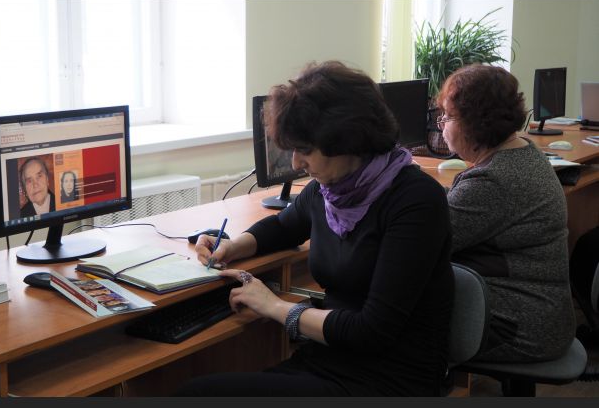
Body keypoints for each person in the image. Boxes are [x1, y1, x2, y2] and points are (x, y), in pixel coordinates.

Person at [176, 60, 454, 396]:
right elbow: (283, 227)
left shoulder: (415, 201)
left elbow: (372, 331)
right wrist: (232, 246)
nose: (296, 163)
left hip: (391, 377)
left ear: (348, 140)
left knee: (195, 394)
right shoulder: (328, 191)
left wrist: (274, 306)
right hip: (331, 357)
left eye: (305, 150)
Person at [436, 63, 576, 362]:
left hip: (521, 326)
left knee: (394, 322)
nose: (442, 125)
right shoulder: (523, 151)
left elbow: (425, 240)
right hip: (541, 311)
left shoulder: (493, 180)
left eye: (447, 116)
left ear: (475, 123)